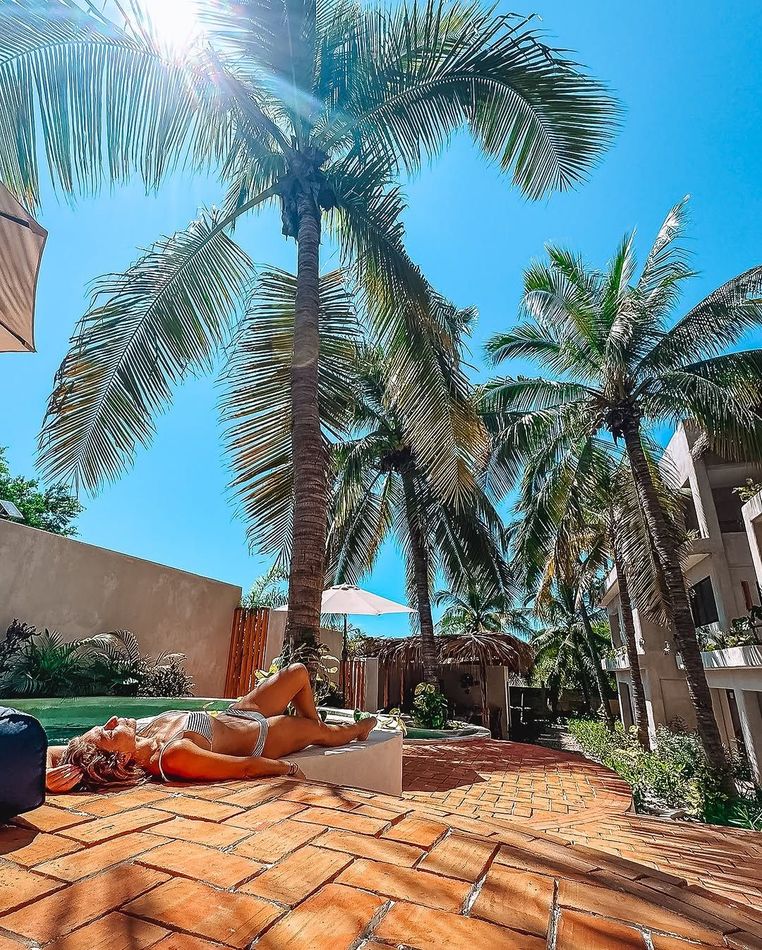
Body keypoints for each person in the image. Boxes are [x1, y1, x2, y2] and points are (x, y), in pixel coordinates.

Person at [45, 663, 376, 792]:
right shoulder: (174, 756)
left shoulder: (143, 734)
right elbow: (245, 768)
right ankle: (356, 729)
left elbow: (49, 751)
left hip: (239, 713)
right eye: (107, 733)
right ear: (118, 761)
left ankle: (317, 722)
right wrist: (287, 767)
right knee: (329, 736)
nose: (112, 721)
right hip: (264, 737)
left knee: (298, 672)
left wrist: (45, 779)